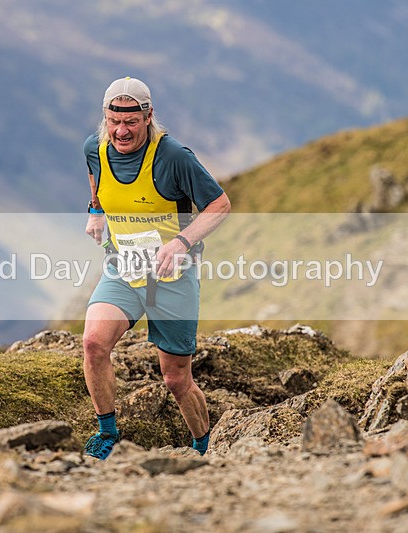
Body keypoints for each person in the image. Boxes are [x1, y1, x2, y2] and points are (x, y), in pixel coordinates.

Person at [81, 76, 231, 459]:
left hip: (172, 278)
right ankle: (107, 434)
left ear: (148, 117)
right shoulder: (95, 149)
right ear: (105, 117)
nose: (121, 130)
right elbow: (95, 176)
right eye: (114, 120)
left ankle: (203, 446)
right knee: (94, 343)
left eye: (131, 121)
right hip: (124, 270)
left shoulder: (174, 157)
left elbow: (220, 205)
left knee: (176, 378)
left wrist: (182, 242)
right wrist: (96, 211)